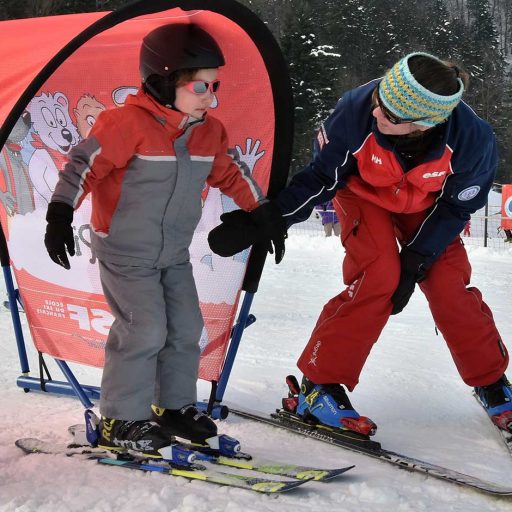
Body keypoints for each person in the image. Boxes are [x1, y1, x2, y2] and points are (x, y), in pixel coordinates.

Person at [208, 52, 512, 437]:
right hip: (363, 197)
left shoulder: (473, 141)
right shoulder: (355, 111)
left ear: (424, 125)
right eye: (379, 101)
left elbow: (456, 207)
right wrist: (267, 220)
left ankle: (491, 381)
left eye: (392, 116)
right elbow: (320, 178)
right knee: (379, 274)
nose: (378, 114)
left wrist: (416, 259)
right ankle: (319, 385)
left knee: (448, 283)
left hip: (431, 208)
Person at [43, 23, 279, 458]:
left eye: (216, 85)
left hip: (172, 252)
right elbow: (81, 166)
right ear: (163, 83)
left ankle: (172, 408)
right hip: (125, 250)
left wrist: (262, 211)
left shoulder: (210, 131)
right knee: (143, 328)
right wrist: (59, 214)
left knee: (187, 328)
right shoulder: (126, 124)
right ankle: (120, 417)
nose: (212, 96)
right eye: (202, 86)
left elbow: (229, 172)